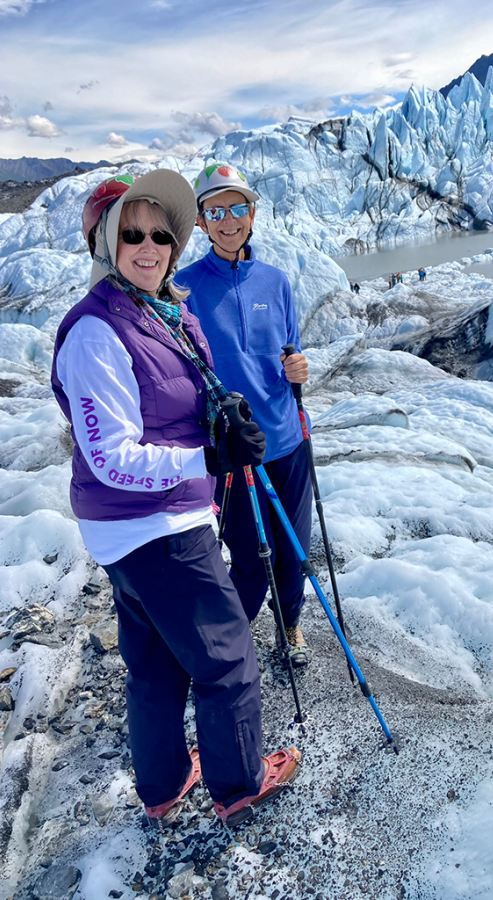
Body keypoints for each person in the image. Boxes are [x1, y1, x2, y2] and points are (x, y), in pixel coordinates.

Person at [50, 170, 300, 828]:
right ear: (104, 244)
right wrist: (208, 456)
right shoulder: (98, 331)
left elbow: (178, 404)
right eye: (130, 233)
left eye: (161, 233)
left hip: (139, 530)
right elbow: (110, 458)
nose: (149, 244)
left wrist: (221, 423)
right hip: (156, 526)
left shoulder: (159, 314)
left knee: (157, 667)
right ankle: (239, 784)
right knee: (228, 661)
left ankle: (162, 787)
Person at [177, 163, 312, 668]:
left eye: (237, 207)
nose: (228, 219)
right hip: (232, 449)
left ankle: (290, 625)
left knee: (294, 550)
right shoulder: (184, 288)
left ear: (252, 214)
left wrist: (297, 368)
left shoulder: (276, 283)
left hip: (286, 438)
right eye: (216, 210)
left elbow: (288, 352)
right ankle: (231, 642)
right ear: (201, 222)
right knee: (253, 558)